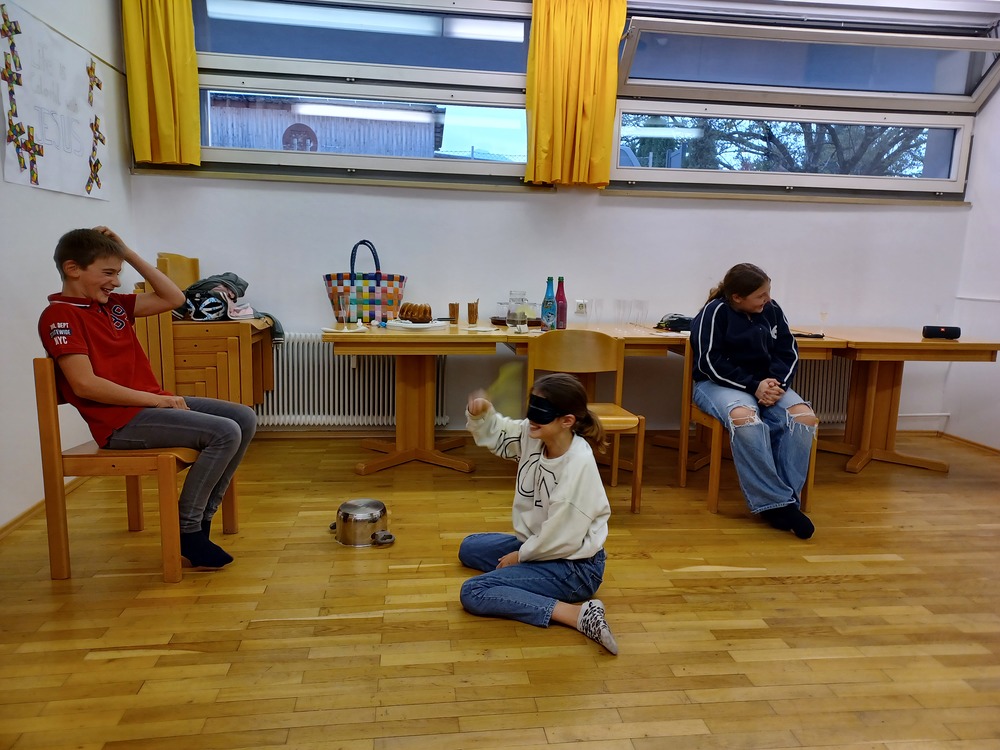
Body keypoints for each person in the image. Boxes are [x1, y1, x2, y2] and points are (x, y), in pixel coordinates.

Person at [37, 227, 257, 568]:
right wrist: (156, 401)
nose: (115, 282)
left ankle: (202, 519)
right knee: (225, 432)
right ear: (73, 268)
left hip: (145, 407)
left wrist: (126, 252)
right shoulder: (60, 315)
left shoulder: (113, 306)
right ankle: (188, 530)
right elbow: (84, 385)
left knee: (244, 417)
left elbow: (175, 298)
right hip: (119, 423)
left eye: (118, 273)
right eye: (108, 273)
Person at [459, 372, 618, 654]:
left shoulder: (577, 465)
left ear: (566, 421)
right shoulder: (536, 434)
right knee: (469, 547)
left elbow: (562, 538)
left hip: (576, 567)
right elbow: (501, 433)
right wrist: (481, 414)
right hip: (545, 545)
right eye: (531, 405)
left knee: (474, 591)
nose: (532, 417)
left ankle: (578, 614)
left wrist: (520, 556)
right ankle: (526, 577)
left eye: (541, 410)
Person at [689, 262, 817, 539]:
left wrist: (775, 385)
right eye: (761, 295)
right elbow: (710, 362)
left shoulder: (772, 310)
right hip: (717, 384)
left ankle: (782, 502)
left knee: (804, 418)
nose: (768, 299)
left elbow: (788, 351)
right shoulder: (715, 312)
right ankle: (777, 505)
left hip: (767, 384)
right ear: (737, 297)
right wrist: (753, 386)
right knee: (744, 419)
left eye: (768, 292)